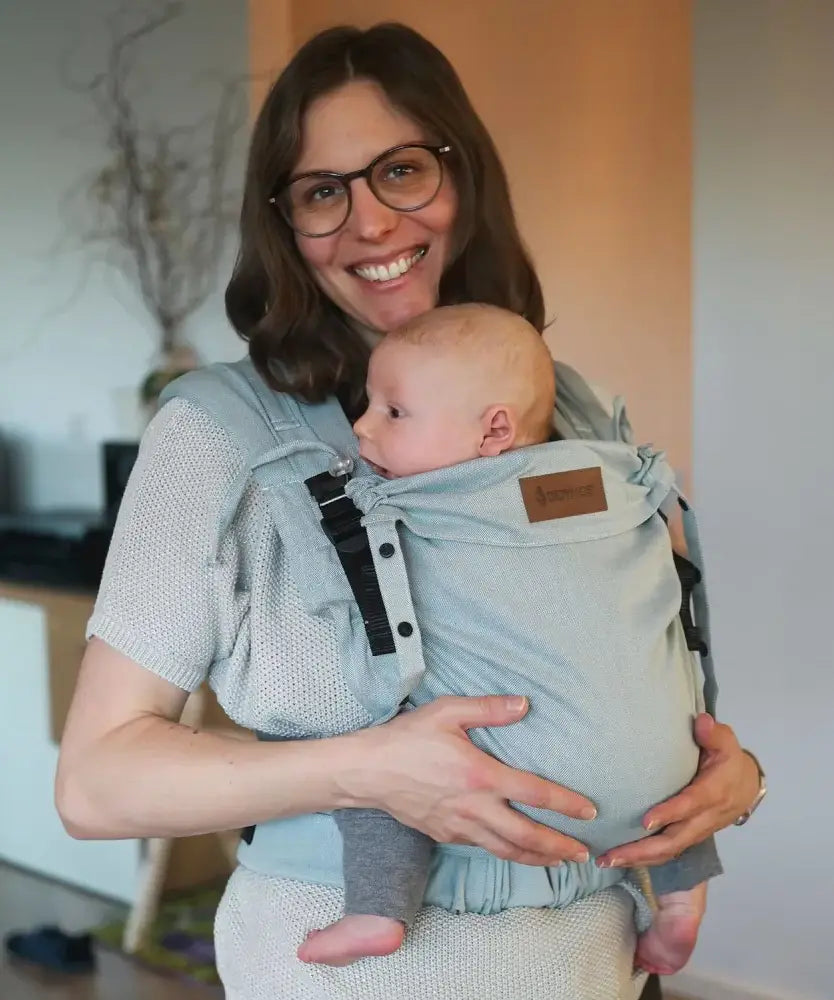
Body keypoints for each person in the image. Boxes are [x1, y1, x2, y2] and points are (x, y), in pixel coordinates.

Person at [55, 23, 765, 1000]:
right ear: (286, 225)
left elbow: (658, 660)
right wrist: (365, 770)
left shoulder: (579, 410)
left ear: (463, 176)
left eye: (400, 170)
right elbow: (97, 783)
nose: (371, 224)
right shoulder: (221, 433)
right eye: (321, 192)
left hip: (595, 960)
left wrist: (728, 777)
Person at [294, 303, 713, 973]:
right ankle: (683, 898)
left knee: (377, 747)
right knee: (663, 693)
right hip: (669, 788)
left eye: (393, 412)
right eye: (368, 404)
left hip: (515, 785)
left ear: (493, 431)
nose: (361, 426)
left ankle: (377, 910)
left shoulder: (412, 503)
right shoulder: (609, 483)